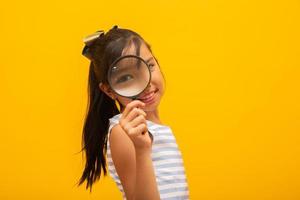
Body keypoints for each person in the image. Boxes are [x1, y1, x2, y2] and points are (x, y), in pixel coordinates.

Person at [78, 25, 189, 200]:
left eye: (149, 66)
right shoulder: (123, 132)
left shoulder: (156, 127)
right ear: (109, 90)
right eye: (126, 77)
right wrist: (142, 149)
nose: (146, 84)